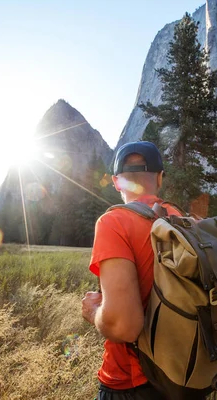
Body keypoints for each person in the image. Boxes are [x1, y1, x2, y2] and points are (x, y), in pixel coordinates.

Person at [81, 141, 179, 400]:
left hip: (131, 384)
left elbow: (124, 327)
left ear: (116, 182)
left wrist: (94, 312)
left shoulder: (114, 222)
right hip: (183, 375)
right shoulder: (182, 220)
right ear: (160, 178)